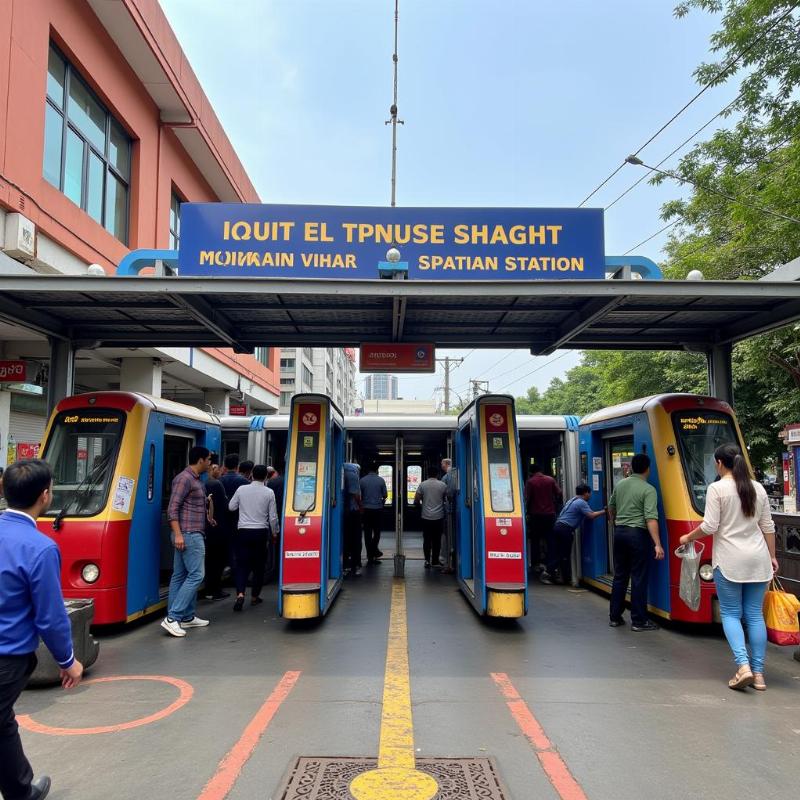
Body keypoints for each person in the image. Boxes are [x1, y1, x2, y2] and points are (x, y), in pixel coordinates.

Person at [0, 459, 83, 800]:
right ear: (45, 496)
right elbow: (50, 616)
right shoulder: (40, 548)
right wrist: (68, 660)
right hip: (8, 658)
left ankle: (21, 791)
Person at [679, 444, 777, 690]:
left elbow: (710, 526)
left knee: (731, 614)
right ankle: (759, 675)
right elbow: (768, 527)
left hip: (730, 560)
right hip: (758, 559)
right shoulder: (758, 488)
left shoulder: (717, 488)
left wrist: (688, 537)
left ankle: (742, 666)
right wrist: (773, 557)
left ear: (720, 463)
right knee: (754, 616)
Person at [607, 453, 664, 632]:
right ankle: (639, 620)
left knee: (620, 576)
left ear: (631, 467)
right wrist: (657, 543)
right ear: (648, 468)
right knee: (638, 578)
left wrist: (615, 522)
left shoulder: (621, 484)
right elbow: (651, 518)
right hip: (637, 535)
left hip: (620, 533)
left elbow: (611, 507)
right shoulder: (648, 489)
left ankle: (615, 617)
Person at [161, 446, 212, 637]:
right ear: (200, 460)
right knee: (196, 575)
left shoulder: (193, 479)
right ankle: (173, 617)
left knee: (180, 575)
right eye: (208, 459)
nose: (210, 463)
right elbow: (172, 509)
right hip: (189, 534)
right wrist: (179, 534)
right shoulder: (184, 479)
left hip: (189, 532)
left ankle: (187, 617)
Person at [228, 464, 279, 611]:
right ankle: (255, 596)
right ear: (265, 477)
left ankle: (240, 594)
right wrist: (274, 533)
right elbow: (273, 517)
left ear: (251, 475)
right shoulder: (269, 492)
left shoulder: (241, 489)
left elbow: (231, 507)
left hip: (243, 531)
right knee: (258, 566)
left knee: (242, 565)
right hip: (260, 533)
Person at [541, 484, 606, 585]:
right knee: (564, 555)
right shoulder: (581, 502)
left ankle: (561, 577)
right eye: (590, 493)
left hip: (558, 527)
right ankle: (550, 574)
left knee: (559, 553)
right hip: (565, 529)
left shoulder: (572, 500)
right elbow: (591, 515)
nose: (590, 495)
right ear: (586, 493)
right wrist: (605, 511)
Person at [524, 464, 563, 573]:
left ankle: (536, 563)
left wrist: (526, 511)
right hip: (550, 514)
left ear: (531, 472)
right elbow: (559, 493)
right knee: (550, 539)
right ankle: (551, 564)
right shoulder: (550, 480)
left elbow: (526, 498)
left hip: (535, 515)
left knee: (535, 540)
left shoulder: (530, 482)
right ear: (541, 470)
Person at [203, 456, 230, 601]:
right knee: (218, 561)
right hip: (219, 528)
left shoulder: (204, 484)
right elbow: (226, 506)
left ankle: (208, 589)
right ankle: (216, 590)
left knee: (209, 561)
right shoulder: (217, 485)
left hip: (206, 529)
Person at [414, 467, 448, 569]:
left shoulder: (423, 484)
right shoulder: (443, 485)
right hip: (439, 516)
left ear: (427, 474)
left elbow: (416, 500)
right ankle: (435, 560)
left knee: (427, 539)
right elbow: (448, 499)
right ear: (437, 474)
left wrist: (422, 507)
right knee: (437, 540)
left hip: (426, 517)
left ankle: (427, 560)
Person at [360, 463, 387, 564]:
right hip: (377, 510)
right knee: (377, 533)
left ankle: (369, 555)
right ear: (377, 470)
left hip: (366, 510)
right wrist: (381, 503)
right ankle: (374, 550)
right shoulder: (380, 480)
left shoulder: (362, 480)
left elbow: (359, 496)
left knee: (367, 533)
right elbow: (385, 495)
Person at [343, 463, 363, 576]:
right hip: (353, 512)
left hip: (343, 512)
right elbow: (356, 495)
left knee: (345, 539)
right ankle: (356, 564)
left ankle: (345, 564)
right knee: (356, 539)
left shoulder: (340, 472)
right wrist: (361, 507)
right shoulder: (353, 475)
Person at [440, 458, 455, 574]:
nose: (441, 465)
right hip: (453, 510)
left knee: (447, 535)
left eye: (442, 464)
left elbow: (447, 494)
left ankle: (447, 561)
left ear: (446, 464)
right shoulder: (456, 474)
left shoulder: (446, 477)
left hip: (448, 511)